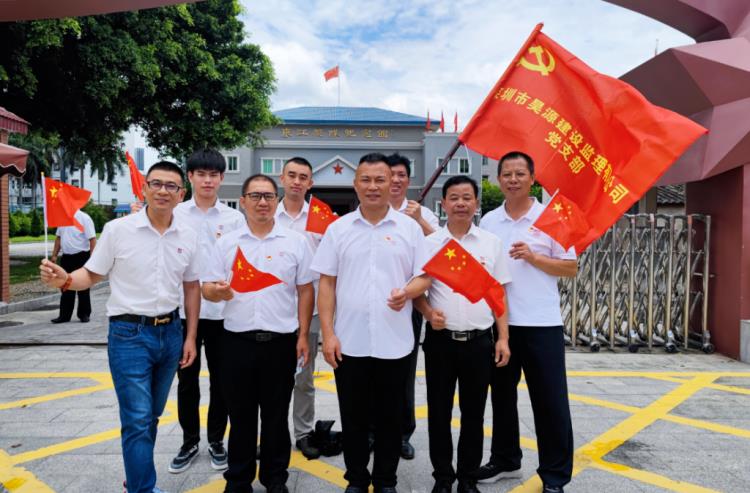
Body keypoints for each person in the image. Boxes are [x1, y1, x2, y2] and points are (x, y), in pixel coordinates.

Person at [39, 161, 200, 493]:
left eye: (171, 186)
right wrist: (66, 280)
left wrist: (191, 337)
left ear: (181, 194)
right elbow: (91, 274)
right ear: (145, 188)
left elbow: (191, 286)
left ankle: (135, 478)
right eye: (156, 183)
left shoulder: (188, 235)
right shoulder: (118, 230)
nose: (163, 191)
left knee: (151, 416)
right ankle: (142, 488)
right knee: (137, 419)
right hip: (129, 335)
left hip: (171, 333)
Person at [311, 153, 430, 493]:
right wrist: (328, 335)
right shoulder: (338, 229)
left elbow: (425, 277)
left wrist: (407, 292)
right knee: (353, 417)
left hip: (396, 341)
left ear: (392, 183)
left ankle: (386, 480)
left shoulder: (409, 229)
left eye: (380, 180)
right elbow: (327, 284)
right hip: (350, 341)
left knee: (391, 417)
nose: (373, 186)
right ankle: (357, 479)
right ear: (355, 184)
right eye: (366, 180)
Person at [202, 174, 315, 493]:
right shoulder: (227, 243)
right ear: (243, 202)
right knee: (240, 416)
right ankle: (239, 480)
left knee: (276, 416)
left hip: (281, 343)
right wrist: (217, 292)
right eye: (255, 196)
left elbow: (306, 290)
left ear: (277, 201)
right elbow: (207, 287)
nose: (262, 202)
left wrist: (303, 335)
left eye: (268, 196)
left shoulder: (296, 242)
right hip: (236, 342)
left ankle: (275, 479)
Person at [476, 151, 578, 493]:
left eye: (520, 173)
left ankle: (555, 475)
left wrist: (534, 258)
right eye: (507, 174)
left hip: (541, 323)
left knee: (550, 401)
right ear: (498, 179)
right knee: (502, 397)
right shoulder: (489, 221)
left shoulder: (551, 217)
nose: (513, 179)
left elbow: (570, 268)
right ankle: (505, 459)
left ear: (532, 179)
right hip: (500, 324)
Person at [414, 175, 511, 493]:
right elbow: (417, 291)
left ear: (476, 204)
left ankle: (467, 478)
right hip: (441, 343)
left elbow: (498, 294)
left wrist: (503, 338)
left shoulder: (491, 243)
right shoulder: (430, 244)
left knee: (474, 414)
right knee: (439, 412)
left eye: (467, 198)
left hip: (479, 342)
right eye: (454, 198)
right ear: (443, 204)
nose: (460, 203)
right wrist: (429, 313)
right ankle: (443, 477)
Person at [168, 149, 246, 474]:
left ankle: (216, 440)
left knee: (222, 381)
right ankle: (189, 441)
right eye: (201, 174)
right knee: (186, 380)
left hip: (222, 313)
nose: (207, 180)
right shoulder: (175, 214)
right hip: (183, 312)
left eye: (213, 175)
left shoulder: (234, 219)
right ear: (190, 177)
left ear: (222, 178)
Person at [385, 152, 440, 460]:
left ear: (408, 180)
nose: (395, 180)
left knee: (404, 372)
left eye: (401, 175)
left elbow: (444, 249)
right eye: (389, 174)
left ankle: (403, 433)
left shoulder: (423, 213)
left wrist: (419, 221)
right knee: (370, 371)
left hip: (411, 302)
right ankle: (372, 431)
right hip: (375, 304)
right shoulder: (371, 210)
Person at [275, 157, 323, 459]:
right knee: (270, 379)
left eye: (303, 177)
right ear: (282, 179)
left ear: (310, 183)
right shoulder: (266, 211)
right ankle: (271, 433)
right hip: (273, 309)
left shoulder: (320, 217)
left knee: (304, 378)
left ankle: (304, 433)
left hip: (310, 310)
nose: (296, 181)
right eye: (291, 175)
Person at [50, 209, 97, 323]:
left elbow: (92, 239)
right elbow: (58, 238)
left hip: (82, 256)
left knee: (83, 286)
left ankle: (84, 314)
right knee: (65, 286)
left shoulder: (84, 218)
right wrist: (54, 255)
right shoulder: (63, 218)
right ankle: (64, 316)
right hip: (66, 257)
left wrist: (93, 258)